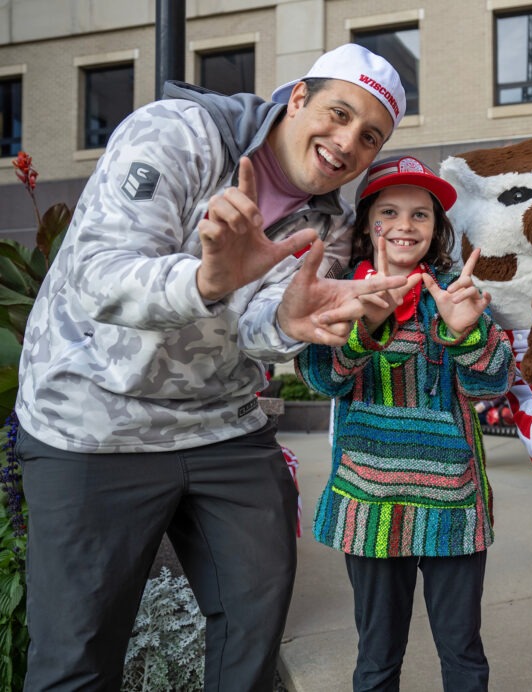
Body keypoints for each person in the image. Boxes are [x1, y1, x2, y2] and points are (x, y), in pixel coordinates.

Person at [14, 44, 409, 690]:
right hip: (91, 419)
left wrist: (287, 322)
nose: (346, 144)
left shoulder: (329, 223)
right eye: (338, 114)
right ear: (298, 98)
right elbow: (95, 275)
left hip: (221, 424)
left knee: (255, 624)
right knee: (75, 660)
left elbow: (253, 331)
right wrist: (204, 278)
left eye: (369, 137)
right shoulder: (178, 135)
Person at [294, 155, 514, 692]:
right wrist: (365, 326)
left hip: (451, 506)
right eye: (389, 211)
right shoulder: (338, 292)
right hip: (370, 506)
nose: (404, 226)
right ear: (368, 223)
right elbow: (323, 380)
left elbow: (495, 382)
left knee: (463, 656)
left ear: (436, 227)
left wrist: (466, 334)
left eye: (420, 215)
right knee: (376, 660)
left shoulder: (454, 294)